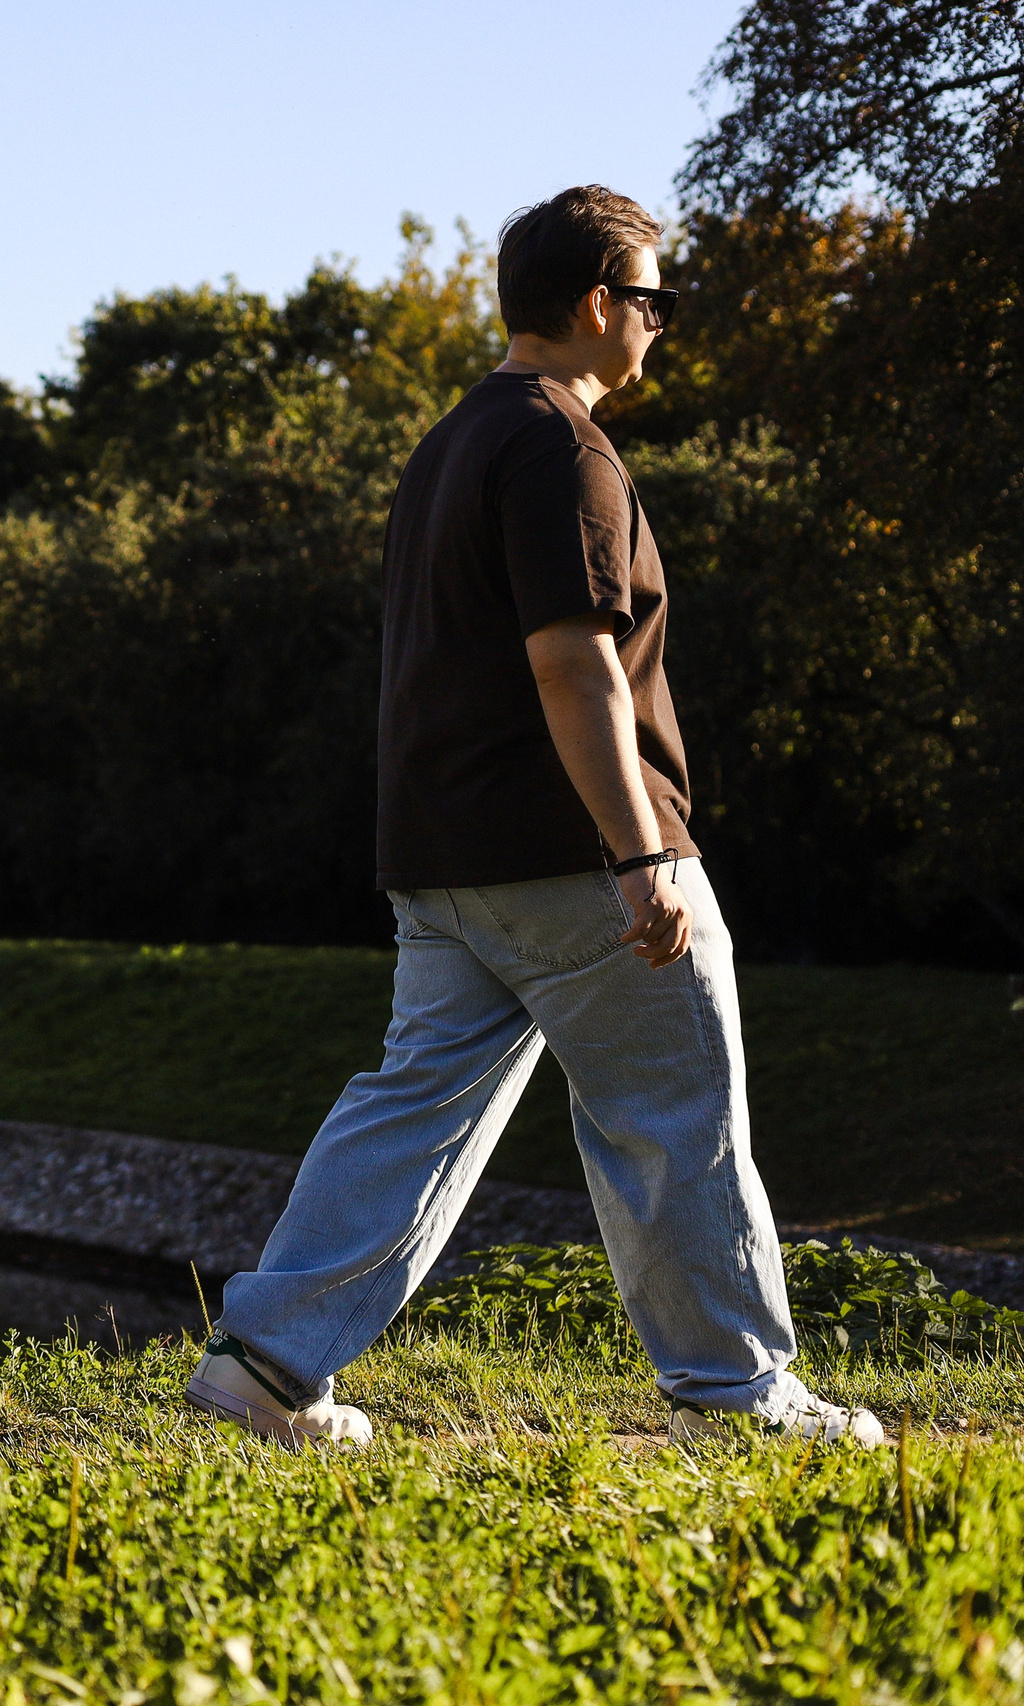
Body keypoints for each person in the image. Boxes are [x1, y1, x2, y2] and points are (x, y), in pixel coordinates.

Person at [188, 185, 885, 1452]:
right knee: (675, 1115)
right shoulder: (563, 449)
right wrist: (642, 852)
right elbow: (576, 667)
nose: (658, 326)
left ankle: (263, 1365)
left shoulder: (452, 440)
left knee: (411, 1110)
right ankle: (735, 1395)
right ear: (596, 303)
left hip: (444, 856)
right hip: (573, 851)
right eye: (651, 301)